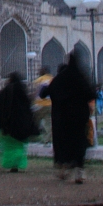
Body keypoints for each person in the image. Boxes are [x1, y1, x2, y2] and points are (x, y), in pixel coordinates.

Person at [40, 52, 94, 183]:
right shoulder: (80, 77)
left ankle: (64, 168)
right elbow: (91, 93)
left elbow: (43, 93)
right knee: (79, 143)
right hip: (79, 118)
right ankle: (79, 173)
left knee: (63, 144)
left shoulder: (60, 78)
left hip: (62, 118)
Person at [0, 72, 37, 172]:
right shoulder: (23, 91)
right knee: (19, 145)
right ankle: (17, 164)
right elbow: (28, 107)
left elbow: (0, 106)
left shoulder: (7, 90)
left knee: (10, 145)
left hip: (9, 123)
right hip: (22, 123)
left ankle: (11, 164)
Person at [32, 66, 54, 143]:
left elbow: (36, 92)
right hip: (50, 104)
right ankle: (47, 139)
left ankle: (33, 137)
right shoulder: (53, 79)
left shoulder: (39, 80)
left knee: (35, 120)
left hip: (40, 104)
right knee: (48, 122)